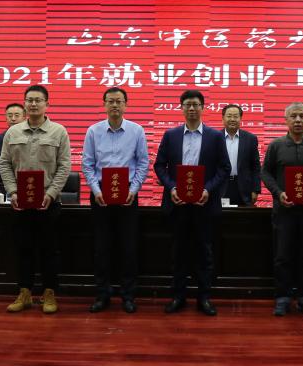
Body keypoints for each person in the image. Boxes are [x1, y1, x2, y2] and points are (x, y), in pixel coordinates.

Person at [153, 89, 231, 316]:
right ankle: (178, 296)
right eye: (187, 104)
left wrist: (207, 189)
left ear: (203, 108)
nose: (192, 108)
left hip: (204, 205)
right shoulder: (171, 135)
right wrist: (172, 188)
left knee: (204, 252)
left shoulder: (215, 136)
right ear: (181, 108)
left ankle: (204, 298)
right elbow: (160, 166)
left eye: (196, 104)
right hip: (177, 204)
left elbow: (224, 168)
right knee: (178, 252)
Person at [0, 84, 71, 314]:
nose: (33, 104)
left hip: (48, 203)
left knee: (49, 250)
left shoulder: (58, 131)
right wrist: (13, 192)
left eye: (38, 100)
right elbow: (4, 164)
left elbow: (64, 166)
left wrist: (51, 193)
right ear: (24, 103)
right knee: (23, 249)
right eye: (29, 100)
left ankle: (49, 293)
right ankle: (25, 293)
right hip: (21, 203)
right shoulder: (13, 132)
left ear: (47, 104)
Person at [80, 87, 150, 314]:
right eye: (110, 101)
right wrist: (95, 190)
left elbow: (143, 163)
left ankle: (128, 296)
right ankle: (103, 295)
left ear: (126, 105)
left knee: (128, 248)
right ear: (104, 104)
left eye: (119, 101)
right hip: (100, 195)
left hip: (128, 194)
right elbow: (87, 164)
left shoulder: (136, 131)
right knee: (102, 248)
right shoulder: (93, 131)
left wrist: (134, 189)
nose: (115, 105)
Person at [260, 102, 303, 316]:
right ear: (286, 120)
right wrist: (278, 193)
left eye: (301, 116)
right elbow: (265, 173)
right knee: (282, 255)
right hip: (284, 211)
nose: (298, 120)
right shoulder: (276, 146)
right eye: (293, 116)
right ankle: (282, 298)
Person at [221, 104, 261, 206]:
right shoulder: (215, 137)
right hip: (221, 186)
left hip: (244, 188)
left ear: (240, 119)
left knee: (243, 215)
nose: (232, 119)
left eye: (236, 116)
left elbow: (256, 166)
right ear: (223, 118)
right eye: (229, 116)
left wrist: (255, 190)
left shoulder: (250, 139)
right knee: (220, 215)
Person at [0, 102, 25, 201]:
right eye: (10, 115)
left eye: (17, 115)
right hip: (4, 188)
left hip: (26, 185)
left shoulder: (31, 137)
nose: (13, 119)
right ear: (5, 118)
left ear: (24, 117)